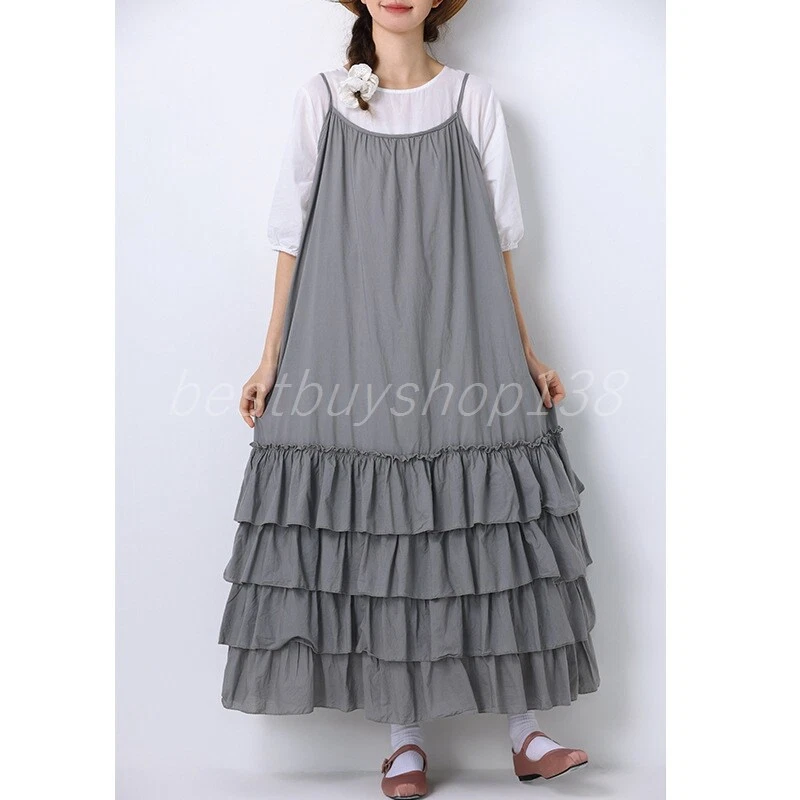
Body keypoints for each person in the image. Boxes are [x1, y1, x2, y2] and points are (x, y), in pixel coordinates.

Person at [219, 1, 599, 797]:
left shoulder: (473, 99)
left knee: (491, 521)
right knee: (384, 527)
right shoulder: (323, 98)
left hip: (463, 333)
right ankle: (404, 742)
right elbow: (290, 235)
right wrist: (269, 358)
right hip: (348, 341)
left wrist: (526, 351)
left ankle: (526, 732)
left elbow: (500, 242)